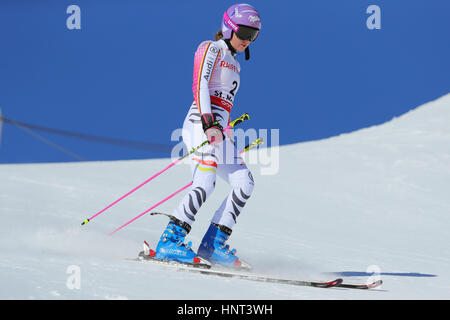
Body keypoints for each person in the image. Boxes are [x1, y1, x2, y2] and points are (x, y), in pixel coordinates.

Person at [153, 3, 262, 268]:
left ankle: (213, 244)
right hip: (200, 124)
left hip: (219, 132)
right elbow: (200, 83)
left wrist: (223, 128)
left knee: (244, 183)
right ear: (229, 27)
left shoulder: (237, 64)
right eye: (245, 32)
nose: (247, 40)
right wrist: (209, 122)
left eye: (254, 35)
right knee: (205, 181)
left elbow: (223, 101)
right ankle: (170, 240)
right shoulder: (211, 48)